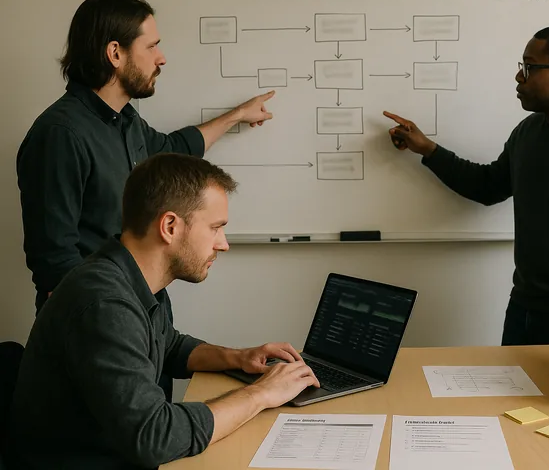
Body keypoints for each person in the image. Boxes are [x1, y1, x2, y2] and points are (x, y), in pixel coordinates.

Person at [7, 154, 320, 469]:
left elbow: (167, 344)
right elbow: (154, 436)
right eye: (215, 228)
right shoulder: (104, 303)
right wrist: (261, 395)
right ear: (170, 226)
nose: (223, 244)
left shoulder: (123, 276)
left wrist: (237, 358)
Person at [383, 25, 549, 358]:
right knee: (512, 408)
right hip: (523, 308)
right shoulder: (529, 133)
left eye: (530, 68)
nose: (519, 78)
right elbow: (489, 185)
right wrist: (428, 149)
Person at [17, 0, 275, 313]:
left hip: (139, 309)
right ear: (115, 53)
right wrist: (100, 323)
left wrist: (236, 115)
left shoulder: (126, 120)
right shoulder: (60, 134)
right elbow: (54, 260)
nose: (161, 57)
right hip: (94, 320)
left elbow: (174, 150)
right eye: (151, 46)